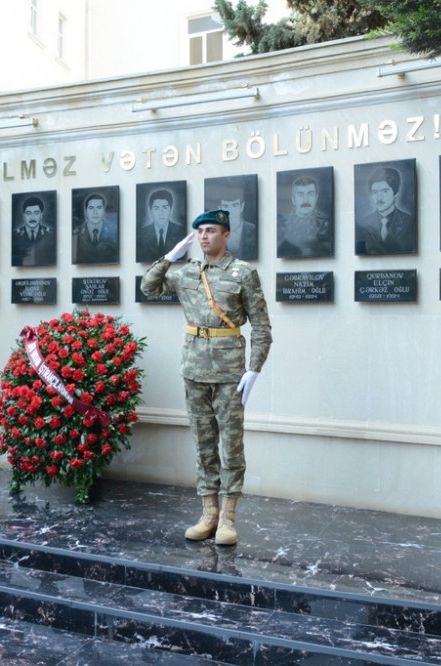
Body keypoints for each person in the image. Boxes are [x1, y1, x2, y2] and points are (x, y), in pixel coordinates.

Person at [140, 209, 272, 546]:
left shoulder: (243, 273)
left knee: (231, 445)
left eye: (211, 231)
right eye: (200, 231)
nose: (203, 237)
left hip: (229, 372)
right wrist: (169, 258)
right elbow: (148, 286)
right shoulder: (187, 274)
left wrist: (254, 369)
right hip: (194, 369)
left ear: (226, 235)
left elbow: (261, 326)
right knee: (203, 445)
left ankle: (228, 517)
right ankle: (208, 513)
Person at [355, 166, 416, 255]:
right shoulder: (362, 224)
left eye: (384, 191)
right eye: (375, 192)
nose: (379, 198)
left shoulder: (409, 221)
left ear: (395, 193)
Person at [278, 176, 333, 258]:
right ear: (293, 199)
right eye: (300, 195)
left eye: (310, 194)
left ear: (316, 197)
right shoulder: (282, 225)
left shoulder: (326, 224)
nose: (305, 200)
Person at [136, 188, 187, 262]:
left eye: (165, 208)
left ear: (170, 209)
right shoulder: (141, 234)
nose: (161, 213)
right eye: (156, 208)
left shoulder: (181, 231)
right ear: (151, 210)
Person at [211, 178, 257, 260]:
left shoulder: (254, 230)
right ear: (220, 208)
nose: (230, 212)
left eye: (234, 205)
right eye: (225, 206)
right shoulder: (213, 235)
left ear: (242, 206)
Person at [72, 192, 118, 264]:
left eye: (99, 208)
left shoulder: (114, 231)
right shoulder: (77, 232)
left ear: (104, 210)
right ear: (85, 211)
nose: (95, 212)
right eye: (91, 208)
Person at [11, 195, 56, 266]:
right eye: (28, 213)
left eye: (36, 213)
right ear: (24, 216)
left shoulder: (50, 235)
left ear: (41, 215)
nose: (32, 217)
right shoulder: (15, 235)